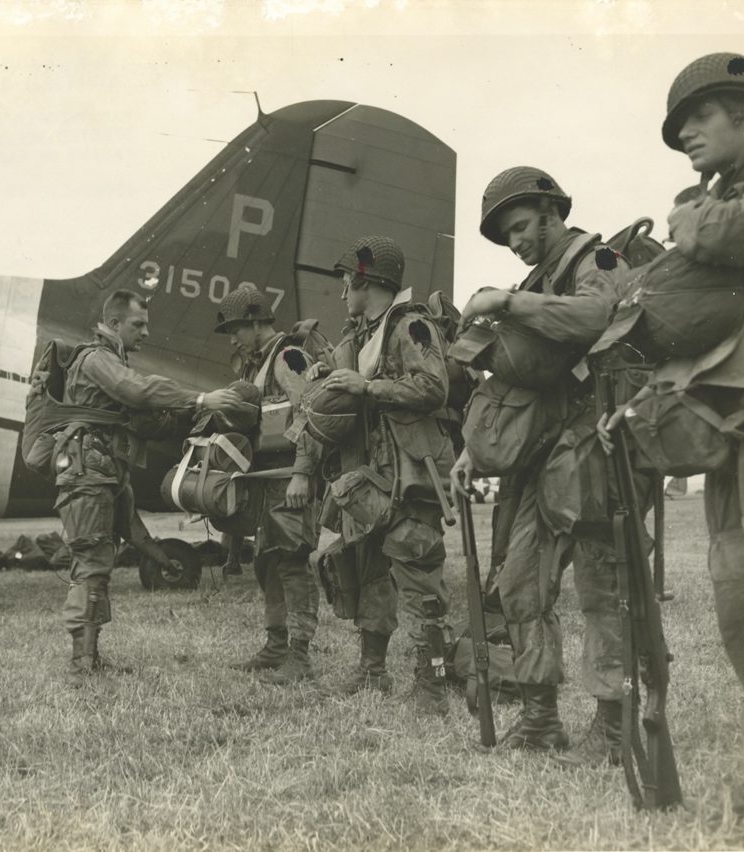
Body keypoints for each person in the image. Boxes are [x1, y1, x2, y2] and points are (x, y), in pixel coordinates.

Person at [600, 52, 744, 815]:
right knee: (738, 607)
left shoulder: (733, 205)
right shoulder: (721, 196)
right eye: (678, 126)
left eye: (700, 116)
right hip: (742, 430)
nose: (687, 134)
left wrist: (688, 220)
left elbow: (730, 234)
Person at [451, 167, 633, 755]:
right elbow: (516, 381)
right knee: (521, 584)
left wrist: (508, 300)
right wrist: (468, 451)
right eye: (508, 235)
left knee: (604, 586)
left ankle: (614, 721)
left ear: (552, 211)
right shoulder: (538, 279)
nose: (516, 241)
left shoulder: (596, 261)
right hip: (538, 453)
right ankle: (539, 718)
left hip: (597, 443)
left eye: (523, 226)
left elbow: (598, 317)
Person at [55, 289, 240, 685]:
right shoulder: (96, 360)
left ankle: (89, 658)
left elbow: (141, 423)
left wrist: (186, 418)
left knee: (98, 566)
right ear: (114, 323)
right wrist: (201, 398)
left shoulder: (110, 362)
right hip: (89, 477)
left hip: (104, 475)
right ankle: (80, 665)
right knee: (90, 566)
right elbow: (137, 393)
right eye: (138, 325)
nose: (145, 333)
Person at [315, 235, 455, 716]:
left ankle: (432, 686)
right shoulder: (361, 334)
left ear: (365, 280)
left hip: (409, 475)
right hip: (373, 476)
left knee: (419, 579)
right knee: (368, 569)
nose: (341, 293)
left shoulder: (410, 325)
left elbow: (434, 387)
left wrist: (367, 386)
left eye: (345, 282)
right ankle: (372, 671)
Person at [213, 285, 322, 683]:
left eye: (237, 328)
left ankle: (299, 656)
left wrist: (302, 474)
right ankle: (276, 646)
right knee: (268, 562)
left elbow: (312, 413)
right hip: (264, 479)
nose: (233, 338)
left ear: (258, 322)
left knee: (293, 562)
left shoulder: (288, 357)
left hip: (289, 476)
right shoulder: (253, 364)